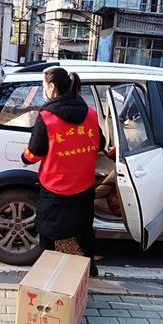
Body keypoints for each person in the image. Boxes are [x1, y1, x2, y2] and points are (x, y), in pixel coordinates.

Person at [21, 67, 105, 276]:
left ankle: (48, 272)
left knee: (47, 230)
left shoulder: (47, 117)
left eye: (44, 86)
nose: (44, 90)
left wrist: (24, 157)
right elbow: (100, 143)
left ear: (52, 87)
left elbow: (34, 153)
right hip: (84, 185)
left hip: (55, 186)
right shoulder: (91, 114)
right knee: (83, 227)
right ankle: (90, 267)